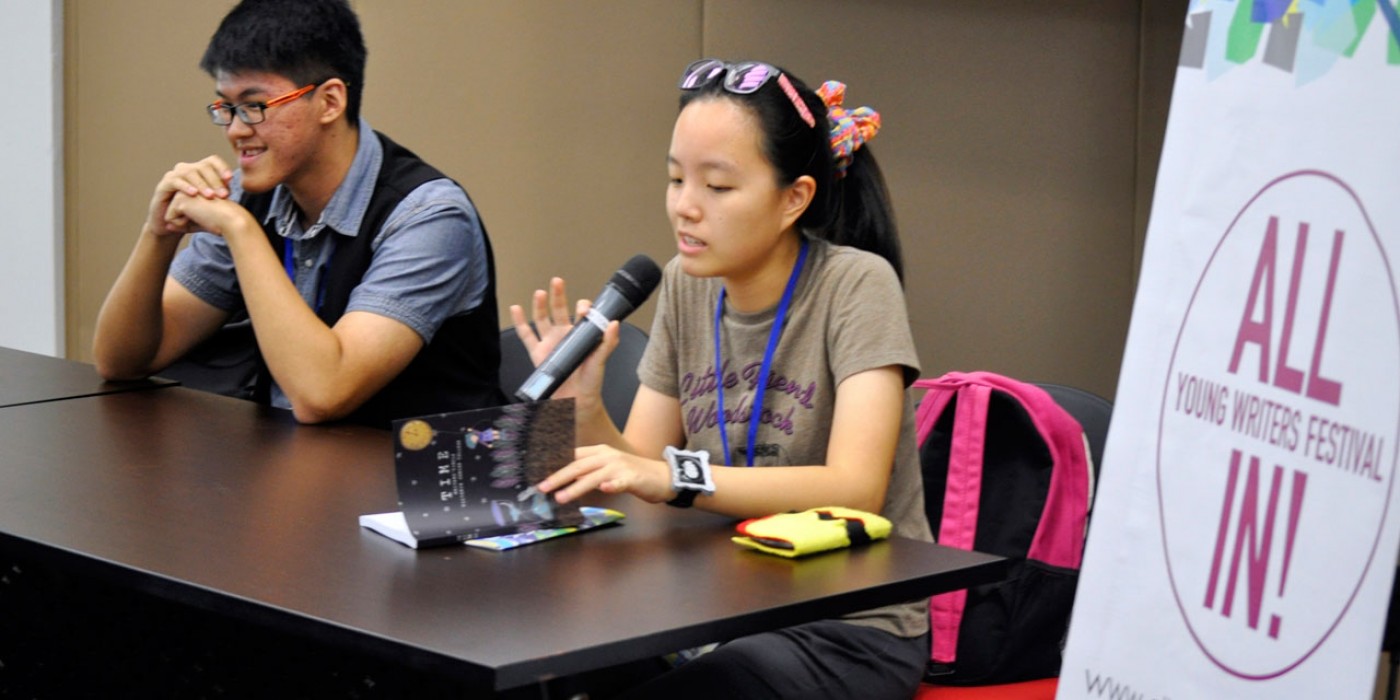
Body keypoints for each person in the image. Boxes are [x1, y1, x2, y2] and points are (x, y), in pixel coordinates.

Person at [513, 59, 932, 700]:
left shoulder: (856, 285)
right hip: (714, 608)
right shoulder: (686, 284)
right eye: (677, 179)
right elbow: (642, 472)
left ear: (794, 198)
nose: (685, 207)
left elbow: (856, 490)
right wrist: (586, 404)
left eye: (718, 187)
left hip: (844, 625)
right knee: (541, 662)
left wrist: (676, 477)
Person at [92, 0, 501, 427]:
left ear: (329, 102)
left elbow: (322, 394)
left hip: (424, 480)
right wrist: (158, 235)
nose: (235, 130)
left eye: (255, 106)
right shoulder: (248, 196)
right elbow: (121, 361)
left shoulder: (428, 216)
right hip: (295, 469)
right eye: (225, 108)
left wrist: (241, 231)